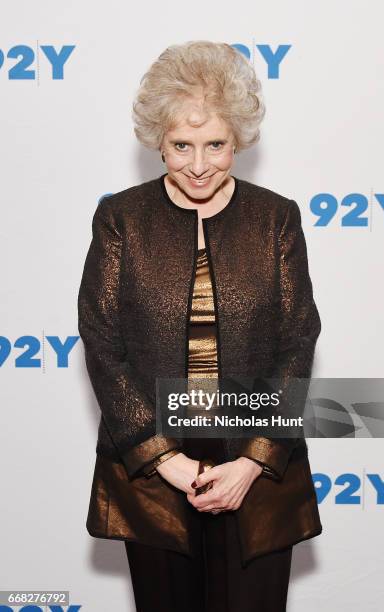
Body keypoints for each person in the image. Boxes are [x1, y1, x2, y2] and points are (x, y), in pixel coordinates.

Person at [78, 40, 322, 612]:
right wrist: (166, 459)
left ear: (238, 139)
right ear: (156, 143)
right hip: (151, 466)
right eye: (180, 145)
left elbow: (297, 341)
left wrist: (254, 459)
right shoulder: (122, 218)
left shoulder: (275, 217)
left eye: (215, 144)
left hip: (258, 467)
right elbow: (102, 341)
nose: (198, 164)